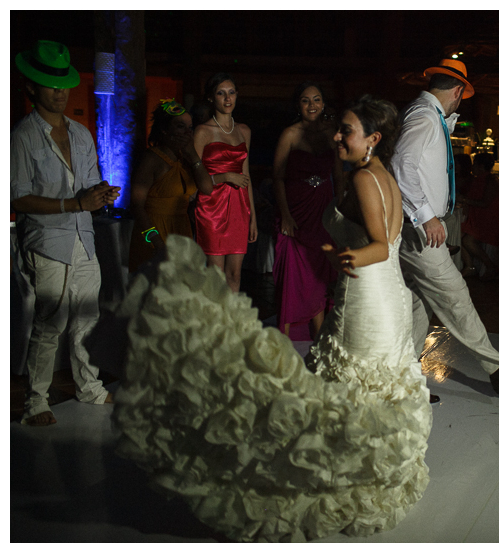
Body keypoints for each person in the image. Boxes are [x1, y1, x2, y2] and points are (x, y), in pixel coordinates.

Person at [111, 96, 430, 542]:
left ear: (373, 139)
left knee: (353, 384)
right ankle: (371, 476)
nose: (338, 136)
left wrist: (351, 253)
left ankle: (344, 479)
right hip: (388, 295)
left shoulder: (362, 178)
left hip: (367, 292)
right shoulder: (383, 176)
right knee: (375, 383)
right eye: (339, 128)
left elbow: (378, 243)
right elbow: (387, 240)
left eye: (348, 131)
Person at [392, 58, 499, 395]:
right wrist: (427, 215)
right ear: (459, 91)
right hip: (419, 231)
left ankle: (403, 382)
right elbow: (402, 165)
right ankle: (497, 370)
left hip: (411, 227)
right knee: (456, 297)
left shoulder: (426, 114)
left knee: (416, 304)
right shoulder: (424, 116)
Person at [11, 40, 120, 426]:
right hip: (47, 240)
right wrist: (74, 205)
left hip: (83, 238)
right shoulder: (23, 135)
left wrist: (101, 193)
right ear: (31, 88)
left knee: (87, 319)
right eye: (50, 84)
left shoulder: (81, 133)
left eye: (63, 84)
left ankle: (88, 386)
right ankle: (36, 401)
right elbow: (18, 197)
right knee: (50, 322)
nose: (59, 92)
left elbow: (90, 182)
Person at [271, 82, 341, 339]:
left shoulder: (332, 133)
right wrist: (286, 215)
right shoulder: (289, 134)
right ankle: (283, 339)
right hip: (296, 207)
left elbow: (338, 176)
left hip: (323, 208)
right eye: (305, 100)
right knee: (292, 273)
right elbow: (277, 177)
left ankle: (320, 335)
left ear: (323, 104)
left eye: (316, 99)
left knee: (319, 272)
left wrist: (340, 209)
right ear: (298, 105)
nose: (312, 105)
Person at [129, 99, 214, 272]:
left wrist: (194, 157)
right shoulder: (151, 159)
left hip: (181, 229)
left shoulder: (186, 159)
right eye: (180, 127)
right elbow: (136, 205)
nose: (187, 133)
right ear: (164, 130)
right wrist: (155, 240)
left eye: (190, 127)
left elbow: (207, 188)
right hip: (155, 230)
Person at [193, 72, 258, 292]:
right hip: (211, 207)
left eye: (231, 93)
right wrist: (225, 177)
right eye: (221, 93)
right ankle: (212, 324)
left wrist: (253, 218)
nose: (227, 99)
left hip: (239, 207)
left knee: (235, 274)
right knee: (215, 275)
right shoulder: (202, 131)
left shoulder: (244, 131)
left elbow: (246, 175)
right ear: (211, 98)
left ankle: (229, 324)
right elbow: (193, 176)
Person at [459, 152, 499, 279]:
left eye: (474, 165)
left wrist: (464, 200)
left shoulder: (492, 180)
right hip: (477, 218)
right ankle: (469, 266)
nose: (472, 168)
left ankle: (490, 266)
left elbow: (485, 203)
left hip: (488, 219)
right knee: (457, 236)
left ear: (480, 166)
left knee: (467, 241)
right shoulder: (476, 180)